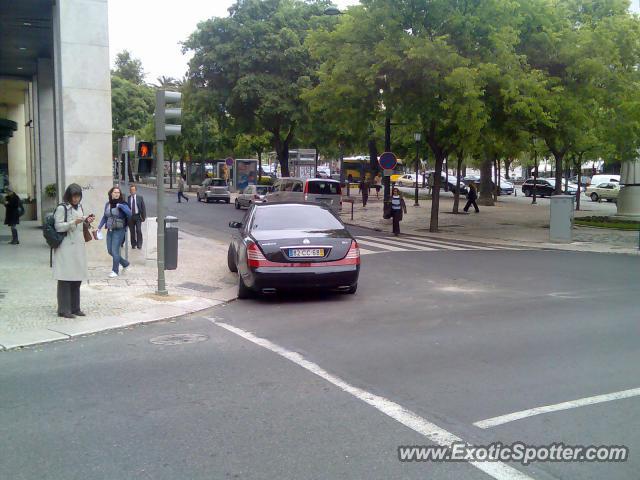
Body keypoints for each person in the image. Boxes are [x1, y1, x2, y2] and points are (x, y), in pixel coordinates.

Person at [53, 183, 95, 318]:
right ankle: (64, 309)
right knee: (65, 278)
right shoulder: (62, 208)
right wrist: (73, 223)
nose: (76, 199)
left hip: (78, 246)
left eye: (78, 196)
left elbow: (81, 225)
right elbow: (58, 227)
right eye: (74, 196)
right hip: (66, 247)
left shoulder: (80, 207)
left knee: (77, 278)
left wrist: (86, 221)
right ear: (69, 196)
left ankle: (75, 307)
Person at [98, 186, 132, 278]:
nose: (117, 194)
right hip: (110, 229)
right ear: (111, 193)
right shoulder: (107, 204)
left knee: (115, 250)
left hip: (119, 230)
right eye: (115, 192)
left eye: (118, 192)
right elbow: (105, 217)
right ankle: (125, 263)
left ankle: (115, 271)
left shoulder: (123, 203)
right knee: (110, 251)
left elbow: (129, 213)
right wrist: (99, 227)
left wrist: (120, 206)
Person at [127, 184, 146, 250]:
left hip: (138, 216)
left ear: (135, 190)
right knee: (132, 231)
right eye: (131, 190)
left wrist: (143, 217)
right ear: (130, 191)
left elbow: (143, 207)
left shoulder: (140, 198)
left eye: (133, 190)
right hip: (130, 217)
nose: (132, 191)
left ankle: (139, 244)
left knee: (138, 230)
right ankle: (133, 244)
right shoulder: (128, 198)